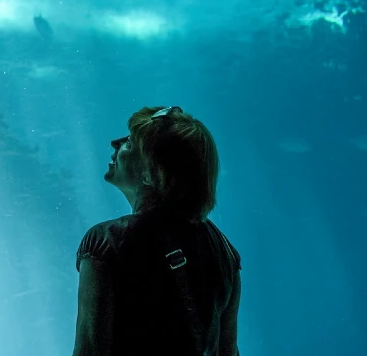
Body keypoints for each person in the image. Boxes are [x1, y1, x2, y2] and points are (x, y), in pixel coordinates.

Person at [72, 106, 241, 356]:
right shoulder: (225, 251)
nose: (115, 142)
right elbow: (228, 350)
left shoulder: (107, 242)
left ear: (153, 172)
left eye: (130, 142)